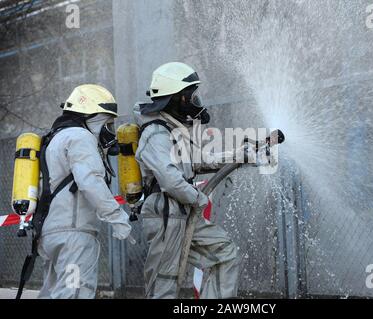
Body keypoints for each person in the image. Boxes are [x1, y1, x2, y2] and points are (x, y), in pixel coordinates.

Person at [134, 62, 259, 299]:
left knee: (224, 253)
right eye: (190, 96)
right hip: (165, 215)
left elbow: (200, 161)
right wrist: (197, 198)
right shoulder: (155, 134)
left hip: (183, 211)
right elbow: (170, 180)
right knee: (165, 285)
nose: (194, 101)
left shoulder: (174, 130)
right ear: (176, 99)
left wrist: (241, 155)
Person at [37, 84, 132, 299]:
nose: (109, 130)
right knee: (75, 292)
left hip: (52, 232)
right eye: (107, 123)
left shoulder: (56, 138)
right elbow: (90, 181)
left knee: (54, 293)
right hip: (73, 234)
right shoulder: (80, 137)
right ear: (92, 117)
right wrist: (117, 217)